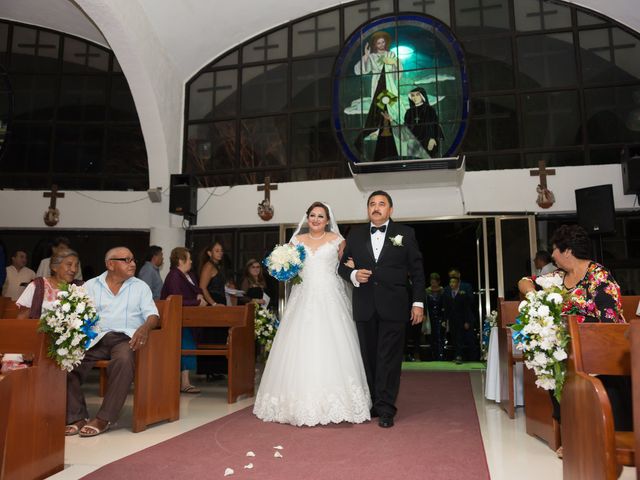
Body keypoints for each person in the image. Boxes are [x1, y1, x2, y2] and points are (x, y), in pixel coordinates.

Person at [253, 202, 371, 426]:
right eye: (312, 215)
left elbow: (346, 267)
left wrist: (354, 264)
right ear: (307, 218)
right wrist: (282, 269)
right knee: (300, 345)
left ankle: (337, 403)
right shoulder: (295, 242)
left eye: (321, 216)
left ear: (328, 220)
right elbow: (287, 269)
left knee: (333, 345)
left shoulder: (338, 241)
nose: (316, 219)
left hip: (330, 298)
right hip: (303, 297)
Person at [518, 224, 630, 447]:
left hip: (598, 349)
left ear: (567, 251)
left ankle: (595, 436)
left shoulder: (599, 277)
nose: (552, 255)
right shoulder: (557, 276)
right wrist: (532, 294)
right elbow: (524, 280)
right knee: (552, 356)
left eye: (554, 250)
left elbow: (608, 324)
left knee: (564, 361)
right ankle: (569, 433)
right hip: (566, 348)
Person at [338, 191, 426, 428]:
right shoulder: (355, 236)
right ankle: (373, 403)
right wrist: (354, 274)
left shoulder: (405, 234)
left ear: (390, 209)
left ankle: (387, 408)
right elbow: (341, 269)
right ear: (367, 209)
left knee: (389, 358)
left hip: (395, 306)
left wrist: (418, 302)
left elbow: (417, 271)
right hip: (365, 305)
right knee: (368, 357)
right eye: (372, 204)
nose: (376, 208)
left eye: (381, 204)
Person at [65, 247, 159, 437]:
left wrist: (145, 328)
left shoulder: (140, 287)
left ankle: (104, 418)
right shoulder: (90, 286)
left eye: (133, 260)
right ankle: (77, 416)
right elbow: (76, 314)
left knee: (124, 361)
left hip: (126, 339)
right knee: (65, 363)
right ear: (110, 264)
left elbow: (153, 315)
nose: (133, 263)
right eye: (127, 260)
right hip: (95, 339)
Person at [160, 247, 207, 394]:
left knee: (188, 346)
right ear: (181, 260)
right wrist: (197, 303)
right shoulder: (174, 276)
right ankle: (184, 383)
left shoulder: (189, 275)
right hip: (176, 319)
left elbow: (197, 289)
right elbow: (175, 300)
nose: (191, 261)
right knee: (185, 347)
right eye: (189, 258)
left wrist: (199, 296)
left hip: (187, 318)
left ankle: (185, 382)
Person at [16, 249, 81, 319]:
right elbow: (21, 318)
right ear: (54, 267)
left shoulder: (79, 288)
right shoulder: (37, 286)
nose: (74, 269)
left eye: (76, 265)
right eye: (69, 264)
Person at [404, 86, 444, 157]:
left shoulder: (430, 110)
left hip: (428, 142)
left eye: (417, 95)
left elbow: (434, 126)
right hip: (413, 144)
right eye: (412, 95)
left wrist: (433, 139)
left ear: (422, 96)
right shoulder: (409, 112)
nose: (415, 97)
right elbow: (406, 128)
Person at [443, 276, 475, 364]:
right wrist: (444, 320)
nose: (452, 284)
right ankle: (456, 355)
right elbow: (446, 308)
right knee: (453, 337)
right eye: (450, 283)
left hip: (461, 320)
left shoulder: (463, 294)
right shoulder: (447, 293)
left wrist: (467, 321)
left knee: (460, 337)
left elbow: (466, 309)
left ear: (458, 283)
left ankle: (459, 355)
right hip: (452, 320)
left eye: (453, 282)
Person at [199, 240, 226, 306]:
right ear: (209, 253)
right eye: (217, 251)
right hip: (213, 302)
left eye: (221, 250)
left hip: (219, 301)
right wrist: (214, 304)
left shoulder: (217, 266)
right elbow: (202, 287)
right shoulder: (209, 266)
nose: (220, 253)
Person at [425, 272, 445, 361]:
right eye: (431, 281)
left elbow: (445, 304)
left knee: (440, 337)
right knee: (430, 337)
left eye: (434, 281)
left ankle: (440, 356)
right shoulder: (426, 291)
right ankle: (432, 356)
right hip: (430, 317)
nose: (433, 283)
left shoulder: (443, 291)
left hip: (440, 317)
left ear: (438, 282)